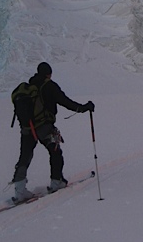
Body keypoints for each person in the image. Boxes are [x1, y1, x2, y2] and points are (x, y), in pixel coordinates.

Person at [12, 61, 95, 202]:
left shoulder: (29, 88)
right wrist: (84, 108)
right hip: (45, 127)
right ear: (48, 74)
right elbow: (66, 102)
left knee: (25, 156)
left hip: (27, 128)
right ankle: (56, 182)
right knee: (55, 151)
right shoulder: (49, 86)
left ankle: (19, 190)